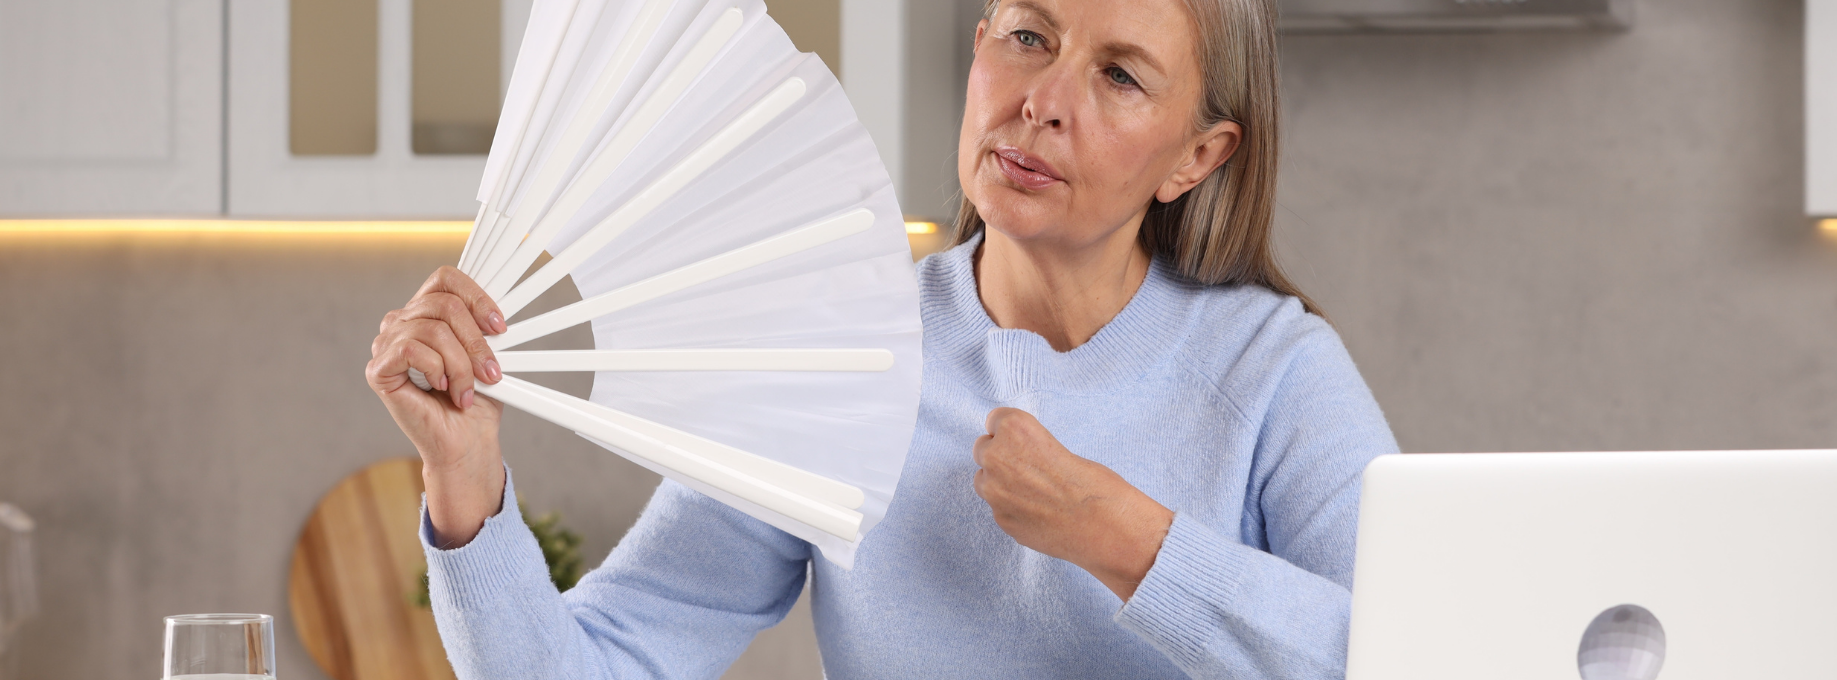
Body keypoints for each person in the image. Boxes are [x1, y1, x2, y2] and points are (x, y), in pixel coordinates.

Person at [365, 0, 1398, 676]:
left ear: (1196, 155)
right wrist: (464, 480)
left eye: (1119, 75)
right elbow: (592, 665)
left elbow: (1425, 653)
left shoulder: (1274, 371)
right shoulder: (839, 361)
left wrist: (1125, 538)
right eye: (1025, 35)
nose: (1038, 102)